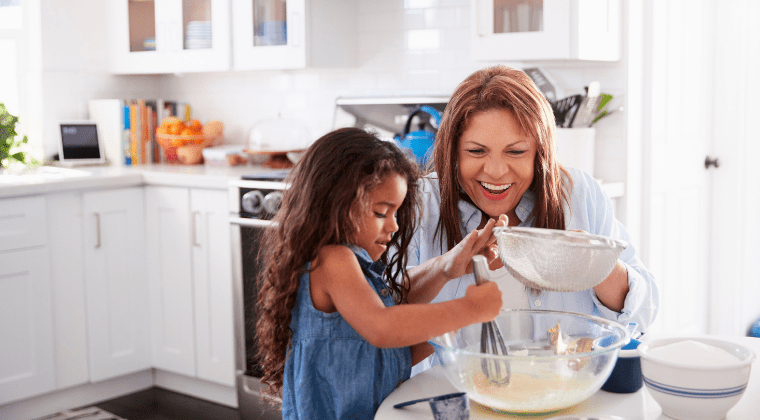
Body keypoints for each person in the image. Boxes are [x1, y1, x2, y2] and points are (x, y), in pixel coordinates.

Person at [404, 65, 659, 373]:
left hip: (562, 393)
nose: (496, 171)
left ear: (539, 152)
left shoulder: (578, 195)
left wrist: (596, 265)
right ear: (452, 151)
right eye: (476, 151)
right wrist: (444, 267)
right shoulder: (419, 203)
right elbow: (377, 315)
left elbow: (642, 315)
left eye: (516, 152)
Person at [255, 127, 502, 419]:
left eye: (396, 212)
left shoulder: (351, 267)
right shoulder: (332, 260)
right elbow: (383, 327)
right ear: (336, 203)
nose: (394, 226)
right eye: (381, 213)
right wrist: (469, 310)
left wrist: (448, 270)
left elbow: (387, 341)